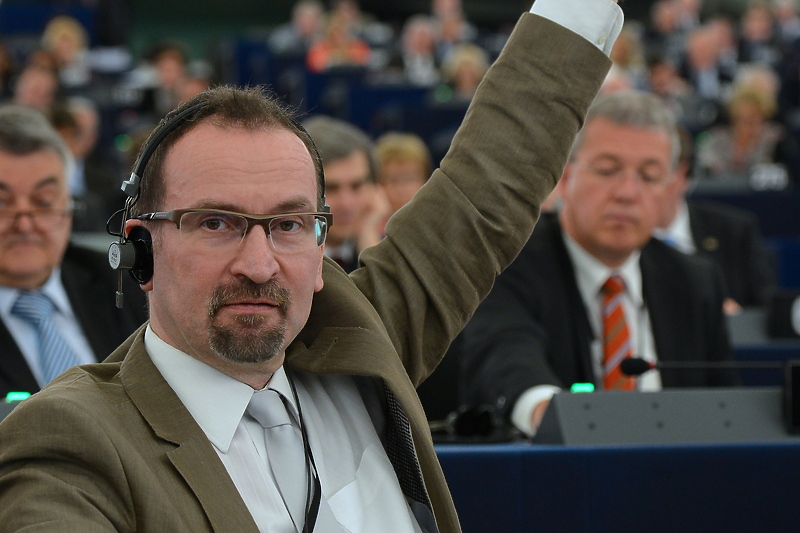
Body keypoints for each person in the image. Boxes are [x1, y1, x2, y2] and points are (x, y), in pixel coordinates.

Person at [0, 1, 623, 531]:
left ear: (322, 250)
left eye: (289, 225)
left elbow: (488, 189)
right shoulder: (71, 438)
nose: (259, 262)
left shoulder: (354, 340)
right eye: (216, 223)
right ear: (142, 249)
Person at [459, 90, 737, 439]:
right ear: (564, 175)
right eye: (608, 170)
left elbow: (726, 411)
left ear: (669, 189)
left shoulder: (696, 282)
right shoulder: (509, 263)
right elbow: (506, 355)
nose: (627, 192)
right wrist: (551, 413)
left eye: (649, 176)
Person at [0, 104, 147, 398]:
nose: (25, 224)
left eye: (43, 202)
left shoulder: (118, 285)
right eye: (3, 203)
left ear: (69, 210)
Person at [655, 127, 775, 312]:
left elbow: (766, 310)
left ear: (683, 174)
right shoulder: (614, 238)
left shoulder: (734, 232)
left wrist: (736, 317)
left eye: (651, 173)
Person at [302, 114, 378, 272]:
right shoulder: (280, 257)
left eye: (357, 186)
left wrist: (369, 237)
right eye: (331, 188)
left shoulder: (383, 248)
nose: (346, 203)